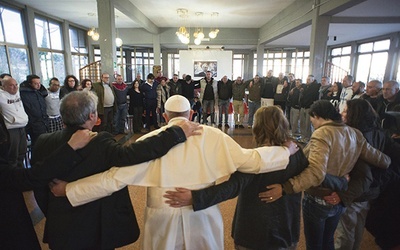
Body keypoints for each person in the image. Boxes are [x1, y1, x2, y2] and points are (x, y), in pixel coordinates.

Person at [51, 95, 298, 250]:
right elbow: (253, 161)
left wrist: (70, 190)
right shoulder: (212, 135)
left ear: (164, 115)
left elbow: (113, 179)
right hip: (203, 214)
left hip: (162, 216)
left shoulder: (150, 140)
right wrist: (284, 152)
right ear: (191, 114)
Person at [31, 91, 200, 250]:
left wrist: (53, 212)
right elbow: (133, 154)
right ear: (92, 116)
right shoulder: (99, 141)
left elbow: (39, 188)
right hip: (97, 226)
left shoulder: (43, 142)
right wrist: (176, 133)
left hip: (61, 225)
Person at [164, 106, 309, 250]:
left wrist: (194, 197)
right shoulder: (296, 153)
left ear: (257, 128)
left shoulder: (254, 160)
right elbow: (312, 176)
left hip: (253, 233)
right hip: (286, 228)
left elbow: (231, 188)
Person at [262, 100, 391, 250]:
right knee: (328, 240)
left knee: (315, 245)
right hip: (339, 198)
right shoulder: (354, 133)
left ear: (317, 115)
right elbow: (384, 161)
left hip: (318, 198)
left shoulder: (322, 133)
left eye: (312, 120)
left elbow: (316, 172)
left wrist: (287, 187)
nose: (312, 124)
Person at [323, 99, 400, 250]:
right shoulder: (381, 132)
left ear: (354, 115)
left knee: (344, 231)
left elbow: (359, 170)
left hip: (353, 191)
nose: (341, 113)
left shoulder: (353, 136)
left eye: (345, 111)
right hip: (371, 191)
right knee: (358, 226)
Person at [0, 77, 28, 168]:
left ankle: (21, 174)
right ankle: (12, 177)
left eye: (16, 85)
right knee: (12, 156)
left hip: (22, 127)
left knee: (22, 153)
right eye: (11, 85)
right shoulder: (1, 95)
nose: (15, 87)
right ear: (3, 87)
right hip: (11, 130)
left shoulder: (18, 93)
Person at [19, 74, 49, 147]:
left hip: (43, 122)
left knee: (45, 144)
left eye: (39, 83)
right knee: (37, 145)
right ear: (30, 84)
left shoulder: (38, 92)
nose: (39, 85)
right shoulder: (24, 94)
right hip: (33, 124)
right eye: (36, 83)